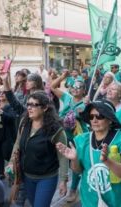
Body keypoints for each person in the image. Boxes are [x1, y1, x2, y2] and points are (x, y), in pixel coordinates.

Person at [56, 100, 121, 207]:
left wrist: (108, 161)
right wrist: (74, 159)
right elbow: (78, 170)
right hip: (89, 201)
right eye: (91, 116)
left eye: (100, 116)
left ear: (110, 119)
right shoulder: (81, 140)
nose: (94, 120)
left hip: (116, 201)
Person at [7, 91, 68, 207]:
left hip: (47, 178)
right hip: (27, 176)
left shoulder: (56, 130)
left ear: (45, 108)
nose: (29, 108)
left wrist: (63, 180)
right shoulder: (24, 123)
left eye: (34, 105)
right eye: (28, 104)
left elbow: (63, 155)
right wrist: (11, 162)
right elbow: (17, 144)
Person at [50, 70, 89, 202]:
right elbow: (52, 87)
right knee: (62, 161)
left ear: (84, 90)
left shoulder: (86, 103)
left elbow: (88, 118)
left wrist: (87, 106)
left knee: (75, 162)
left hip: (78, 136)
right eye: (74, 86)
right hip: (63, 134)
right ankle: (63, 183)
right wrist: (62, 76)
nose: (75, 89)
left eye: (79, 87)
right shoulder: (67, 97)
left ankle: (73, 189)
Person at [0, 86, 17, 180]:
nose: (1, 94)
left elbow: (11, 118)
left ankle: (14, 171)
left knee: (8, 154)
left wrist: (1, 112)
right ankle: (1, 172)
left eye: (3, 92)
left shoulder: (11, 105)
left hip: (8, 135)